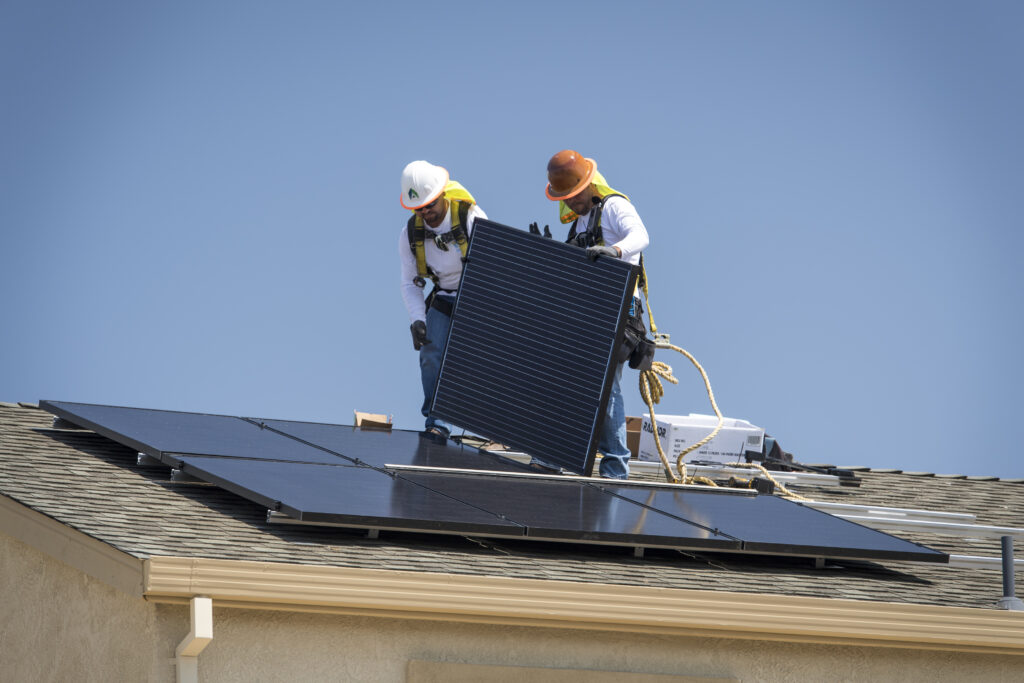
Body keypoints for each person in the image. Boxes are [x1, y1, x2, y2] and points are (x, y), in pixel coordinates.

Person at [541, 149, 650, 479]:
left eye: (574, 196)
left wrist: (614, 251)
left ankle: (616, 465)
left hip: (619, 308)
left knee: (606, 385)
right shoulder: (580, 221)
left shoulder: (614, 207)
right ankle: (554, 454)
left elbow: (642, 237)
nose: (571, 203)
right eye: (566, 198)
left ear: (588, 185)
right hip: (590, 309)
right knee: (569, 379)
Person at [398, 160, 487, 438]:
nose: (426, 212)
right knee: (430, 353)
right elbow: (410, 282)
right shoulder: (410, 233)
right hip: (444, 296)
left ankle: (495, 424)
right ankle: (437, 422)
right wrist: (417, 321)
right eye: (419, 208)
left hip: (479, 295)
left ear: (442, 196)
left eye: (430, 205)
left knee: (487, 360)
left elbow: (494, 264)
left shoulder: (471, 218)